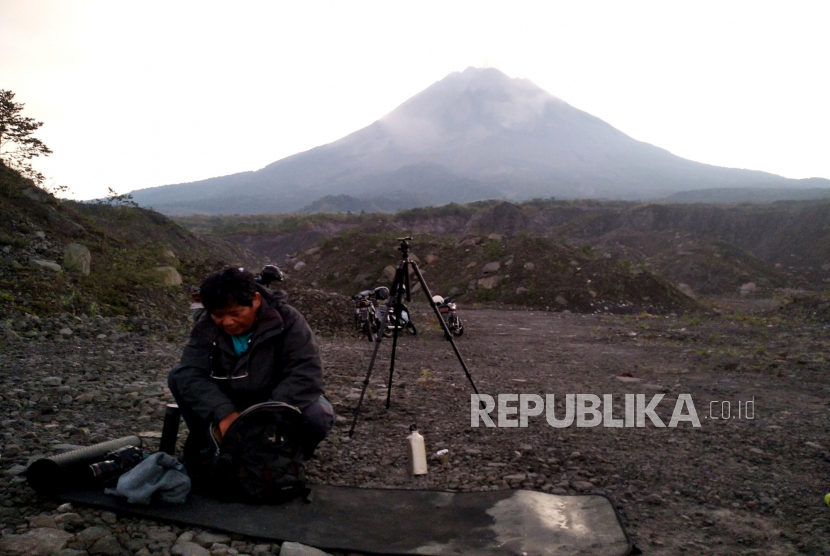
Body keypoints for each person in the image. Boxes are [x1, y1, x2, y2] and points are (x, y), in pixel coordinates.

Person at [168, 268, 335, 460]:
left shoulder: (287, 320)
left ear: (256, 300)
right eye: (218, 315)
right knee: (176, 376)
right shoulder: (206, 326)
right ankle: (212, 444)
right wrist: (223, 413)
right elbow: (190, 372)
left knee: (317, 415)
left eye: (235, 313)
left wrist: (261, 417)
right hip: (230, 400)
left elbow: (307, 373)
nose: (227, 322)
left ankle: (290, 457)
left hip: (275, 399)